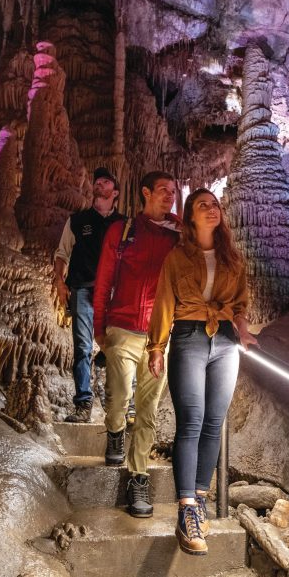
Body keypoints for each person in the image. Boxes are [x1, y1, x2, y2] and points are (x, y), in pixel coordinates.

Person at [147, 188, 258, 556]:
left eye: (215, 205)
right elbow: (164, 302)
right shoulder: (177, 258)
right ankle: (185, 510)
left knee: (214, 422)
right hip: (189, 335)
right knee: (191, 421)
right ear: (190, 217)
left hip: (225, 341)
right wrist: (156, 347)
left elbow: (240, 305)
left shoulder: (233, 259)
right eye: (203, 205)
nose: (212, 210)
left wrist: (243, 331)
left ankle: (199, 498)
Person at [93, 171, 180, 518]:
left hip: (159, 336)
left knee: (148, 410)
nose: (170, 197)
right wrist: (100, 327)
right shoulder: (123, 231)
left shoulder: (178, 235)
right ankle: (114, 432)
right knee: (120, 400)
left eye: (173, 192)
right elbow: (103, 281)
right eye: (163, 191)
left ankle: (138, 476)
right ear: (145, 193)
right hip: (122, 329)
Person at [53, 167, 122, 423]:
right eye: (97, 181)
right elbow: (62, 253)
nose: (99, 184)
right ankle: (83, 403)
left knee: (116, 347)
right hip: (82, 288)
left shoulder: (122, 224)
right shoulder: (78, 221)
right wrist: (60, 283)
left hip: (114, 293)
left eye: (105, 182)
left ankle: (117, 400)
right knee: (82, 347)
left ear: (114, 192)